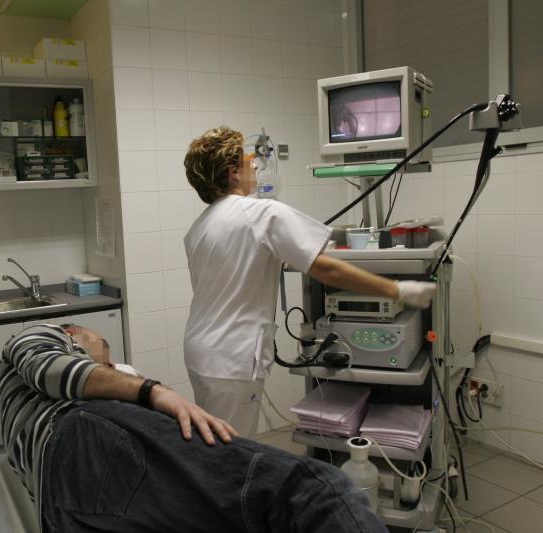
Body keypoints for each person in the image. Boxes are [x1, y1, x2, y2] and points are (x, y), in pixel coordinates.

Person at [0, 323, 387, 533]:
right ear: (74, 336)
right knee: (316, 490)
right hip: (85, 439)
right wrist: (153, 391)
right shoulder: (41, 335)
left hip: (61, 513)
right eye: (105, 351)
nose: (112, 366)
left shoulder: (24, 435)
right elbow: (56, 371)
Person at [182, 126, 436, 438]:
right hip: (230, 359)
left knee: (209, 440)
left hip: (200, 351)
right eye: (249, 161)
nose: (256, 166)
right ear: (233, 172)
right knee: (231, 448)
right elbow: (326, 270)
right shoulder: (259, 213)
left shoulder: (200, 227)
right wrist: (398, 290)